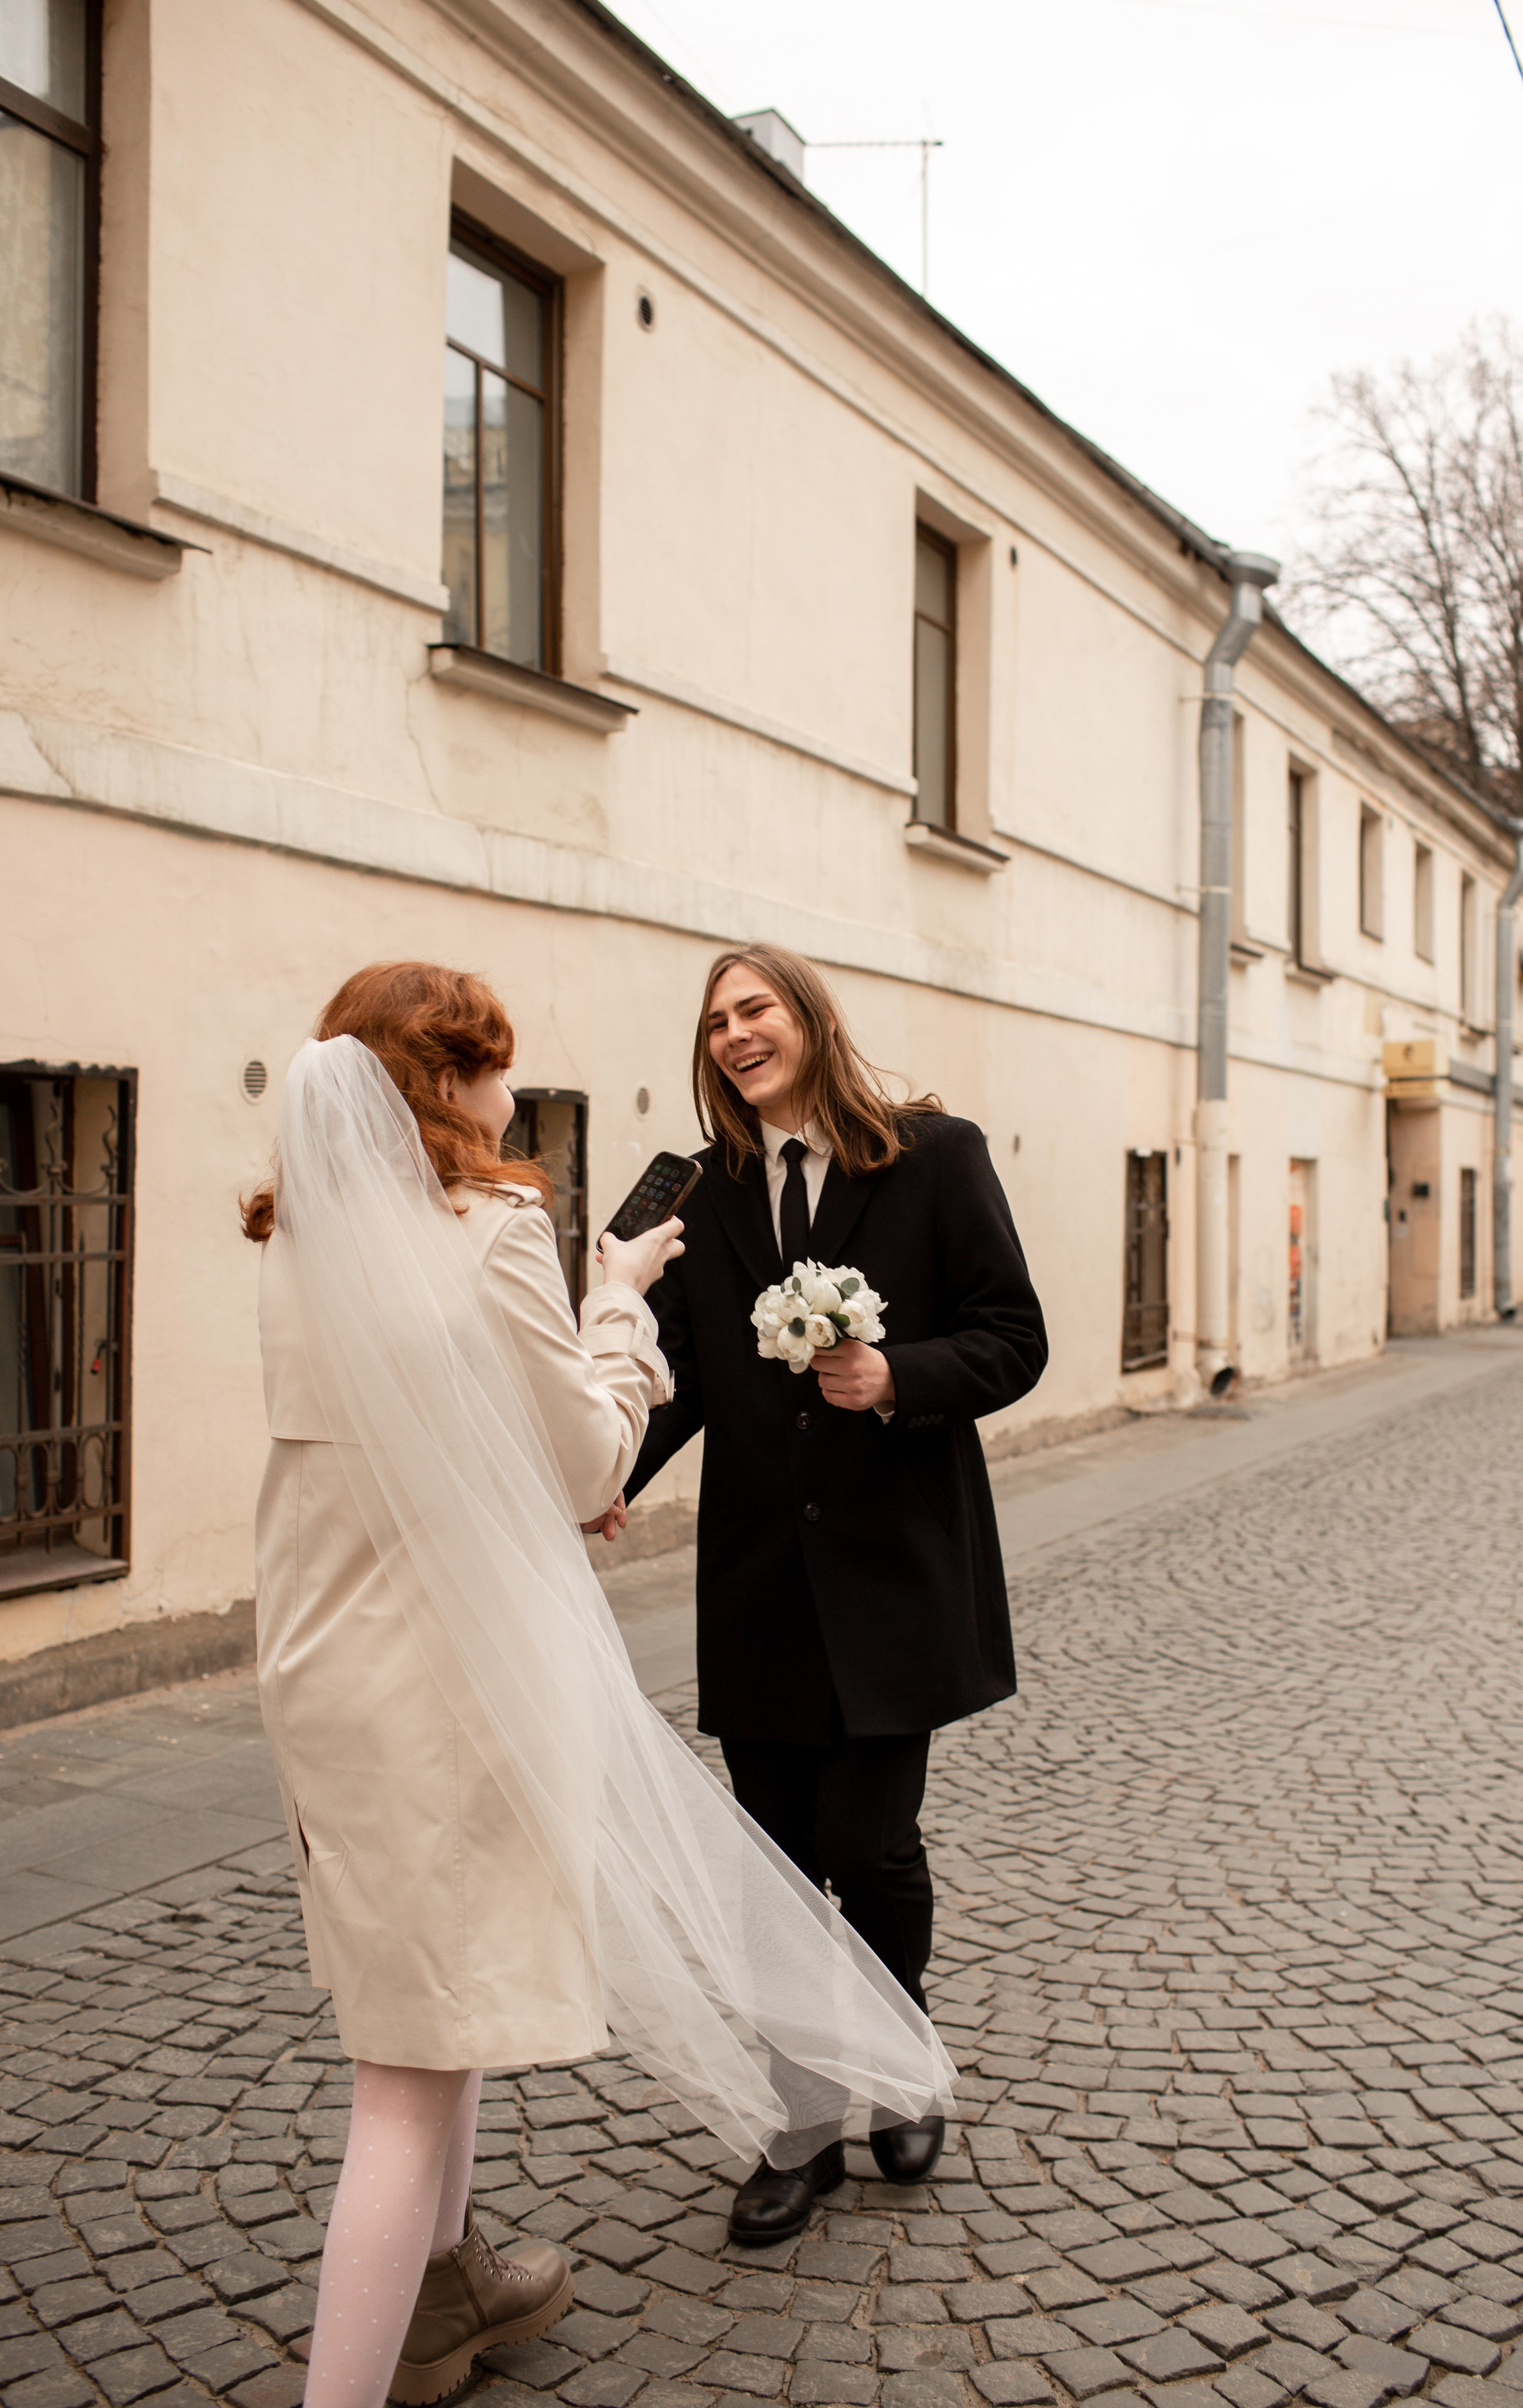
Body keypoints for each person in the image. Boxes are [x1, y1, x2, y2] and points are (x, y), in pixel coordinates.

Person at [244, 962, 951, 2408]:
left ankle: (450, 2289)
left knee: (439, 2010)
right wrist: (617, 1303)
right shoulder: (496, 1225)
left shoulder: (301, 1236)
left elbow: (441, 1434)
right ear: (444, 1085)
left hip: (321, 1664)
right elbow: (579, 1458)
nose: (514, 1090)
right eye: (495, 1064)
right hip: (451, 1676)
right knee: (410, 2066)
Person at [612, 944, 1047, 2242]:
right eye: (715, 1022)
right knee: (775, 1863)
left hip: (892, 1566)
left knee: (870, 1842)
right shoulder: (701, 1189)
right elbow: (679, 1373)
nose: (736, 1033)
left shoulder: (932, 1155)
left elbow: (1013, 1336)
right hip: (757, 1573)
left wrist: (897, 1377)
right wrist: (601, 1467)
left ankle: (900, 2062)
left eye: (754, 1008)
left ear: (805, 1015)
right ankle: (798, 2126)